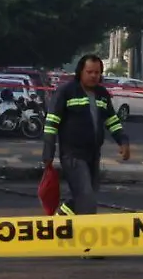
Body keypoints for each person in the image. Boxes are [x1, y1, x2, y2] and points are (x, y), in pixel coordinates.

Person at [42, 54, 131, 217]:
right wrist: (48, 153)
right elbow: (51, 123)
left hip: (93, 155)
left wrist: (123, 141)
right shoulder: (66, 92)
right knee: (86, 199)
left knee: (81, 196)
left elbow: (112, 121)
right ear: (80, 72)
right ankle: (86, 238)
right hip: (72, 155)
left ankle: (59, 220)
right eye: (89, 72)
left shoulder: (102, 94)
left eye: (97, 73)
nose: (93, 76)